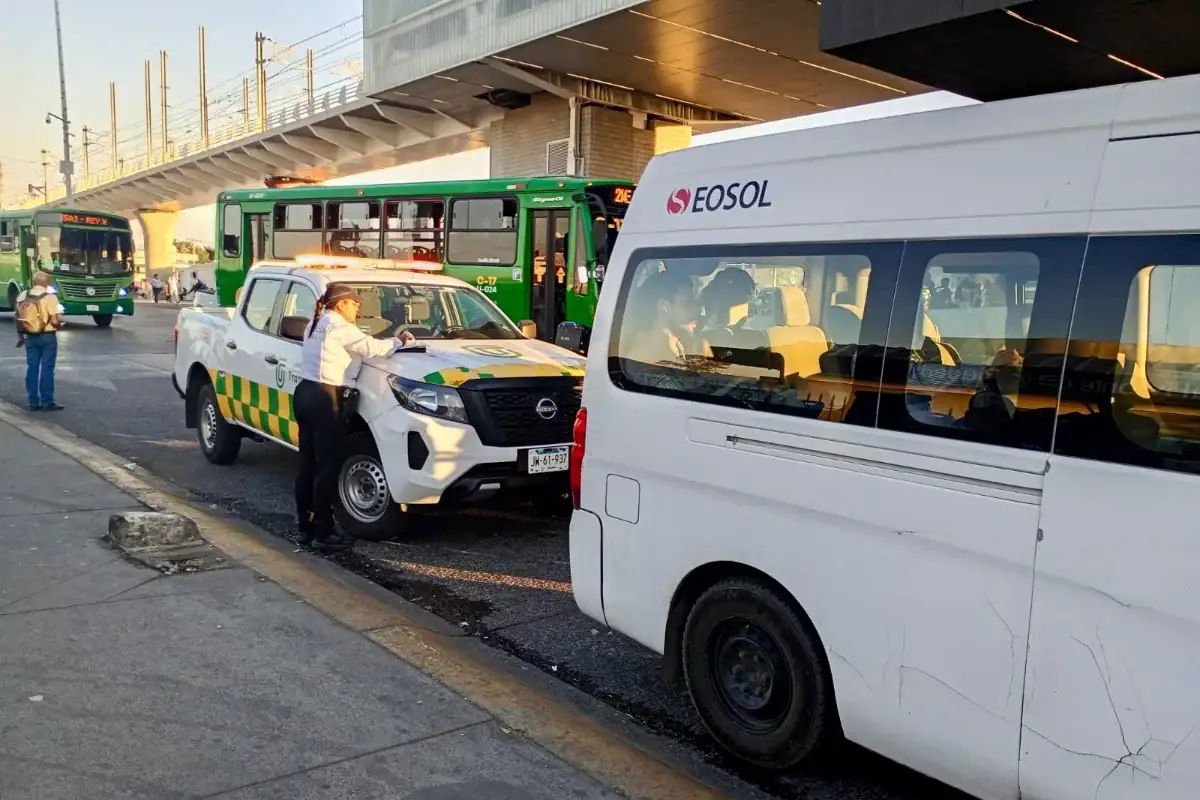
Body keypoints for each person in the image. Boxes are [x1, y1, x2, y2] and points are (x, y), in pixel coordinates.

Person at [294, 283, 416, 550]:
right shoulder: (340, 327)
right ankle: (323, 533)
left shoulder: (314, 325)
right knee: (327, 466)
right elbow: (372, 348)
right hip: (326, 397)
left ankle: (305, 529)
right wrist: (400, 341)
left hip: (304, 392)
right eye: (353, 302)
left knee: (307, 465)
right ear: (340, 305)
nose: (358, 307)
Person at [15, 271, 65, 412]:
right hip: (47, 336)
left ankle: (33, 402)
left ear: (35, 281)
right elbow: (55, 320)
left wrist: (20, 336)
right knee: (47, 368)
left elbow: (18, 317)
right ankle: (47, 401)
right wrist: (59, 326)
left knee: (32, 367)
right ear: (47, 283)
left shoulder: (23, 295)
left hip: (30, 336)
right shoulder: (50, 298)